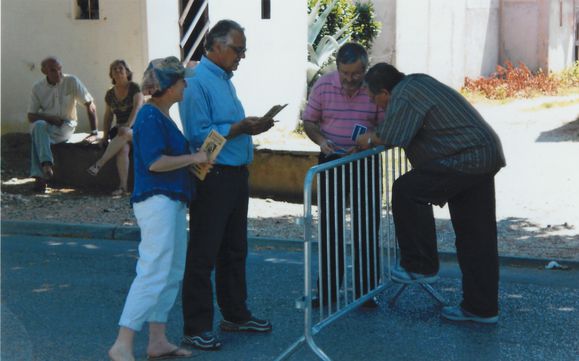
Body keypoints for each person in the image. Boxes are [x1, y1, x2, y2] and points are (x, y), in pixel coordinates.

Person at [356, 63, 506, 324]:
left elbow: (392, 135)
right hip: (482, 155)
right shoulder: (416, 84)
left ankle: (419, 265)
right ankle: (481, 308)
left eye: (374, 99)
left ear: (384, 92)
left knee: (407, 190)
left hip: (465, 158)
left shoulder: (404, 93)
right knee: (476, 238)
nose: (377, 106)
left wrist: (368, 139)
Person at [178, 19, 274, 351]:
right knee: (204, 253)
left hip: (234, 174)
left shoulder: (223, 79)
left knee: (235, 249)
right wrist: (237, 128)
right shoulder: (196, 81)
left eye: (243, 49)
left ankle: (235, 313)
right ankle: (196, 326)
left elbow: (227, 128)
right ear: (215, 45)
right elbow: (199, 137)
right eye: (238, 49)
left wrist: (249, 128)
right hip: (212, 176)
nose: (242, 56)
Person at [108, 56, 210, 361]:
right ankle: (122, 343)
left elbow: (163, 160)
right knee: (154, 270)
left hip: (170, 201)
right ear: (167, 86)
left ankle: (157, 340)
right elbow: (154, 162)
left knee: (171, 270)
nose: (185, 85)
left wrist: (195, 158)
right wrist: (194, 158)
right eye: (180, 80)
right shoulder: (151, 116)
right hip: (157, 201)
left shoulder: (158, 116)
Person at [302, 42, 384, 309]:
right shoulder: (324, 85)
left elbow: (386, 126)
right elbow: (310, 121)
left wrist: (368, 141)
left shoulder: (374, 90)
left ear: (365, 69)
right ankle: (326, 290)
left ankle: (365, 291)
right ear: (337, 68)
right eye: (344, 73)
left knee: (366, 226)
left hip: (364, 161)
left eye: (356, 74)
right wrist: (321, 141)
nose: (349, 79)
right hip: (332, 160)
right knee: (330, 227)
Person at [27, 56, 98, 193]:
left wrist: (94, 132)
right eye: (53, 70)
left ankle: (40, 178)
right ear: (44, 71)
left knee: (38, 136)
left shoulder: (71, 81)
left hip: (66, 126)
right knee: (38, 126)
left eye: (60, 69)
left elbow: (90, 104)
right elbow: (31, 116)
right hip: (47, 126)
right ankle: (47, 165)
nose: (58, 73)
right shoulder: (37, 88)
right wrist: (49, 118)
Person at [87, 60, 144, 196]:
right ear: (111, 74)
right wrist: (105, 136)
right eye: (114, 69)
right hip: (120, 130)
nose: (118, 71)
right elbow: (108, 116)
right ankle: (123, 187)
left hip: (138, 127)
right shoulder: (110, 94)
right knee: (122, 149)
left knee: (124, 133)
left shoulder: (135, 88)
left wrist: (128, 126)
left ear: (127, 72)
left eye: (121, 68)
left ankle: (100, 163)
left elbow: (137, 108)